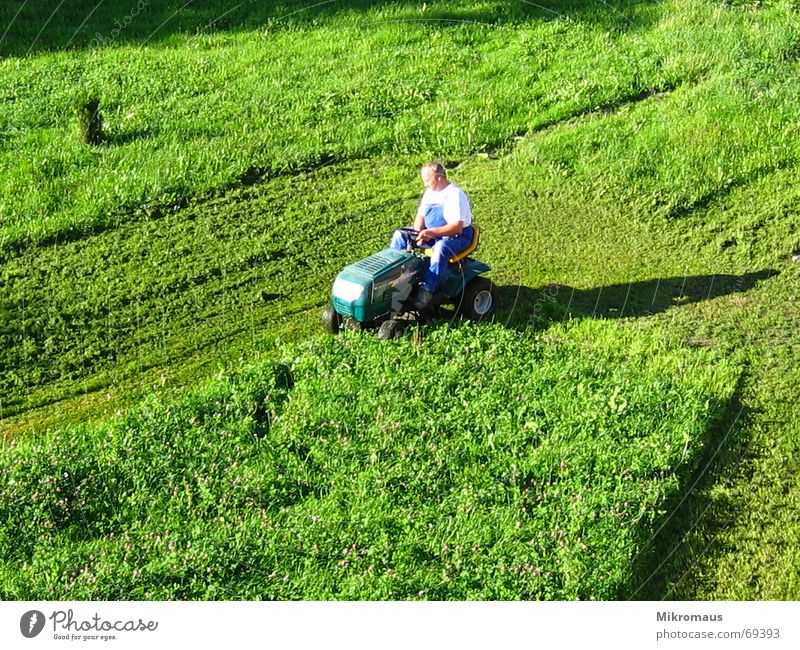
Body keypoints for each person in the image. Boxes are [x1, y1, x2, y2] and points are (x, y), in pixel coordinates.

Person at [389, 162, 475, 309]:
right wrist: (418, 232)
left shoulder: (455, 194)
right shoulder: (430, 193)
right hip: (432, 233)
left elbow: (456, 227)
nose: (425, 185)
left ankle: (427, 290)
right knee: (400, 235)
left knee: (440, 248)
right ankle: (393, 276)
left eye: (427, 180)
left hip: (456, 237)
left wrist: (430, 233)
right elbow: (420, 216)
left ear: (439, 177)